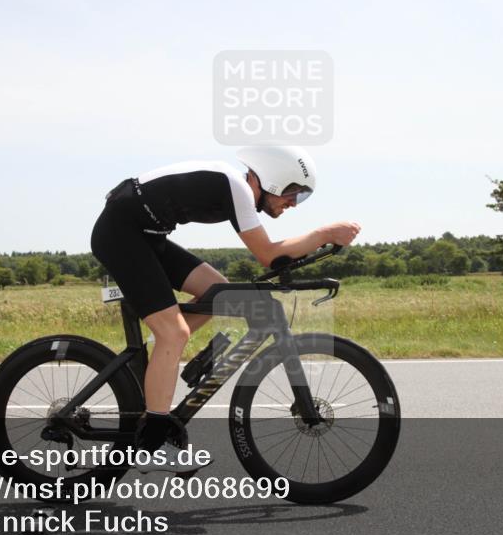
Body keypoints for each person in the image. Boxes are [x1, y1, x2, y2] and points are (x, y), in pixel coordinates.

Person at [90, 146, 360, 472]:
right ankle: (152, 447)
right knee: (174, 333)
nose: (292, 203)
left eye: (300, 198)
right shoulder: (237, 187)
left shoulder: (234, 187)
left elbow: (273, 256)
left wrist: (319, 242)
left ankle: (158, 356)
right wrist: (324, 234)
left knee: (219, 293)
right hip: (122, 234)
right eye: (293, 193)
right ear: (272, 179)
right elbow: (268, 255)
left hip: (146, 236)